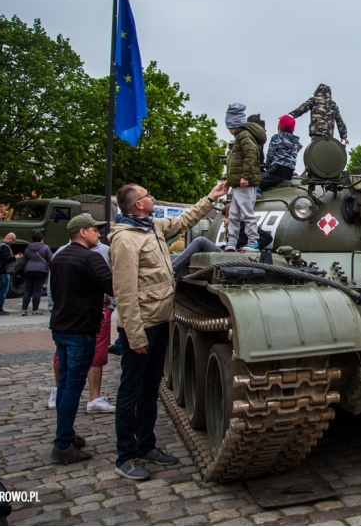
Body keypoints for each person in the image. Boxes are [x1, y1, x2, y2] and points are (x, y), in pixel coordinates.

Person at [109, 179, 229, 481]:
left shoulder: (151, 227)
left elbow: (183, 220)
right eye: (148, 196)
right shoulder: (125, 240)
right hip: (141, 327)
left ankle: (146, 445)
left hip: (161, 320)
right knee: (131, 391)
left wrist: (211, 197)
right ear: (138, 204)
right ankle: (125, 455)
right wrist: (135, 335)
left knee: (149, 389)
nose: (152, 198)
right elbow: (124, 292)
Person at [48, 214, 113, 464]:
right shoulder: (90, 257)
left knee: (64, 384)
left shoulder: (60, 255)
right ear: (82, 232)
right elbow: (112, 286)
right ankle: (63, 444)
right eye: (95, 230)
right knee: (73, 386)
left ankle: (65, 433)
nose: (99, 234)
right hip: (81, 329)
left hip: (61, 327)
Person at [223, 102, 266, 252]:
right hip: (237, 183)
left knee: (247, 213)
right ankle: (232, 241)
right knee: (234, 214)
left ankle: (253, 241)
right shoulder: (240, 137)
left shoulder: (244, 135)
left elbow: (251, 155)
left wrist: (245, 176)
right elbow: (233, 162)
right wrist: (227, 178)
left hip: (244, 183)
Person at [262, 114, 302, 190]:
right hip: (289, 173)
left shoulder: (276, 138)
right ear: (293, 129)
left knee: (255, 181)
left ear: (279, 126)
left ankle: (258, 194)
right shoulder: (296, 142)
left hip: (277, 170)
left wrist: (267, 165)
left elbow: (270, 155)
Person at [20, 231, 53, 316]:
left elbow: (24, 261)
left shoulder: (27, 249)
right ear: (41, 240)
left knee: (28, 290)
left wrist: (25, 270)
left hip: (29, 270)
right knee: (37, 290)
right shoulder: (45, 248)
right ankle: (35, 310)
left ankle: (24, 309)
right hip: (41, 270)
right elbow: (50, 259)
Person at [0, 233, 21, 315]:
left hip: (2, 271)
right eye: (13, 240)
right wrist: (15, 257)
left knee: (1, 291)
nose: (13, 242)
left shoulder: (1, 245)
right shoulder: (4, 247)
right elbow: (7, 259)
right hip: (3, 271)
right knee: (2, 291)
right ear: (10, 239)